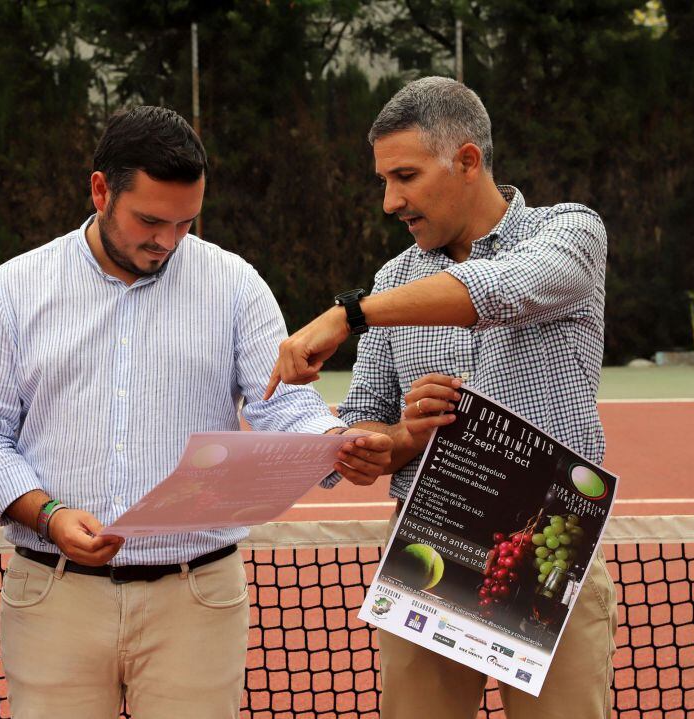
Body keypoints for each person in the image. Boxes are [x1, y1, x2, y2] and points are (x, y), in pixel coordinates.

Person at [0, 105, 394, 718]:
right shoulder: (12, 288)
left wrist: (334, 441)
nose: (167, 240)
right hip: (53, 594)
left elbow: (283, 402)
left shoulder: (235, 283)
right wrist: (49, 515)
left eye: (186, 222)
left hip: (197, 599)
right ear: (100, 191)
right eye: (151, 220)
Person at [265, 76, 618, 719]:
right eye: (383, 180)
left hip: (551, 550)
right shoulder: (394, 278)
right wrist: (400, 438)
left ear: (467, 160)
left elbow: (497, 289)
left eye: (405, 176)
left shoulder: (571, 232)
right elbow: (366, 418)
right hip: (427, 548)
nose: (389, 201)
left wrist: (349, 314)